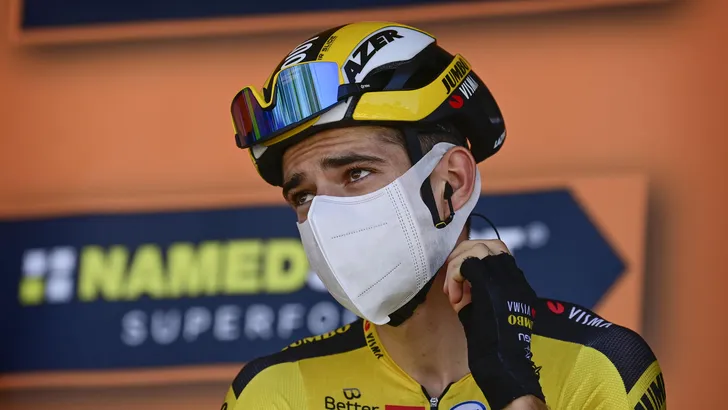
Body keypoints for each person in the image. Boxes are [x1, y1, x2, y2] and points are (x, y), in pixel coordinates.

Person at [220, 22, 666, 410]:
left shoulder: (598, 364)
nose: (324, 217)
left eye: (356, 173)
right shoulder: (273, 391)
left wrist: (513, 384)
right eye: (303, 196)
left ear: (451, 182)